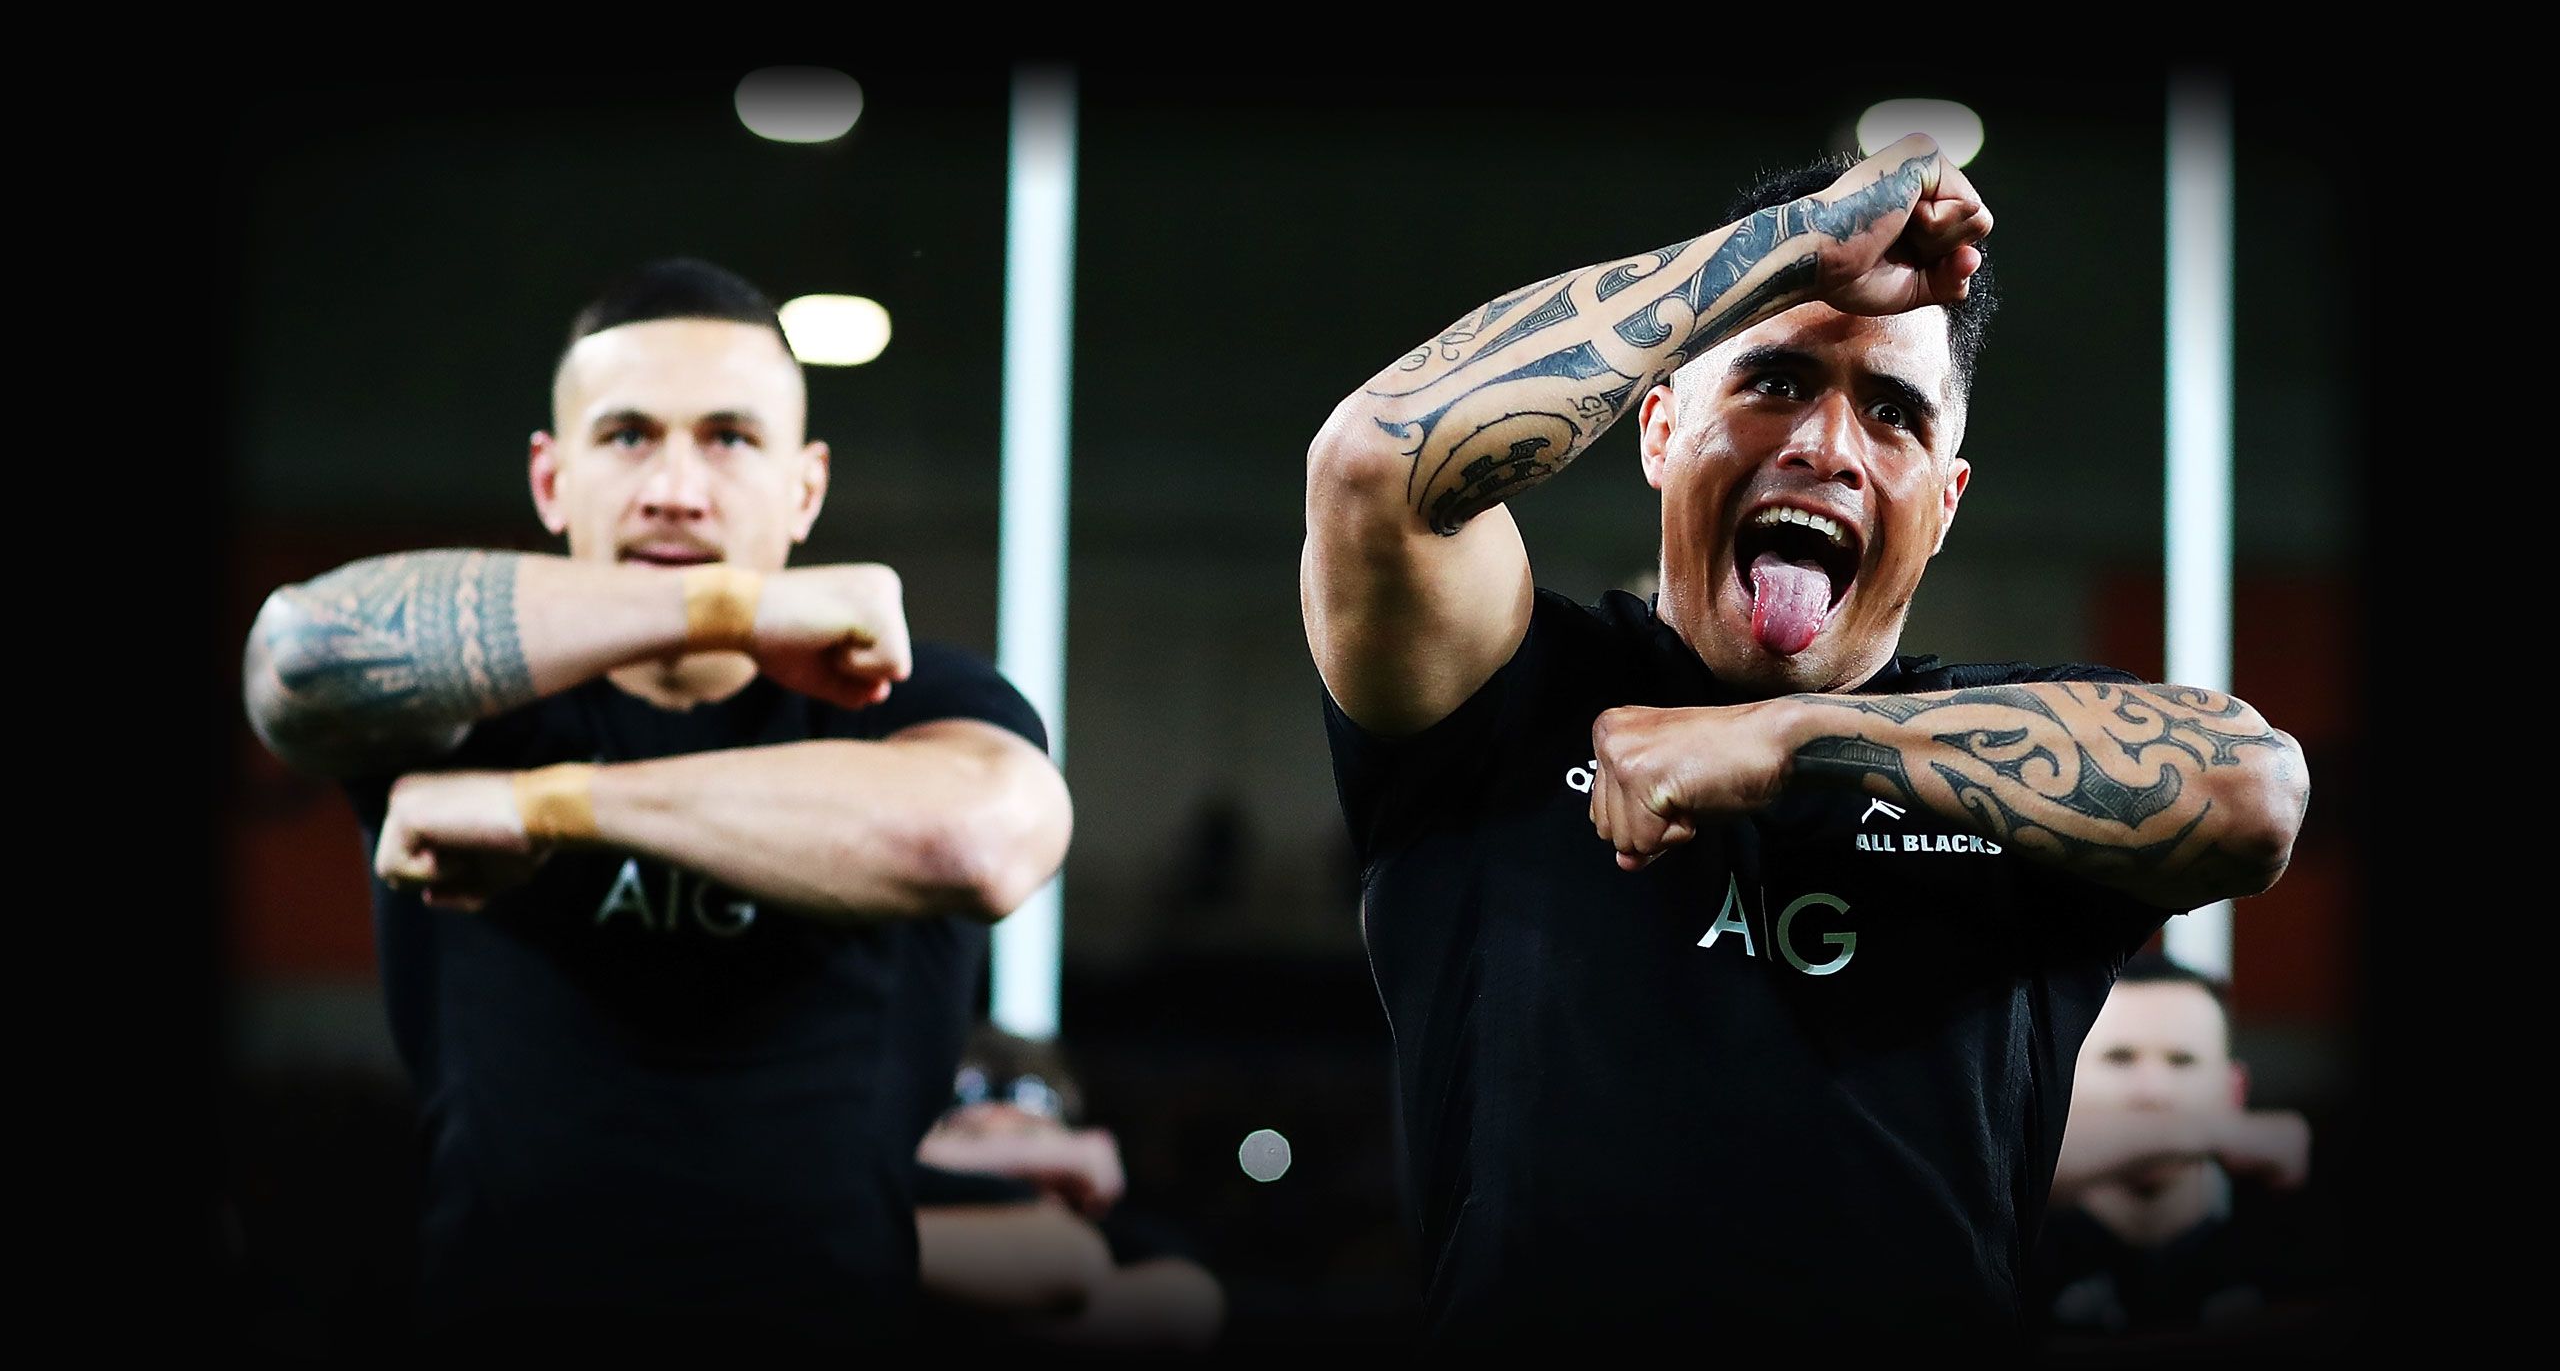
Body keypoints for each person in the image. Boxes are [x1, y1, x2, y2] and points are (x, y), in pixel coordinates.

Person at [1300, 135, 2311, 1349]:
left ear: (1941, 505)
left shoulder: (2003, 749)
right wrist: (1793, 249)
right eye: (1774, 380)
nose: (1826, 447)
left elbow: (2253, 791)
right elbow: (1375, 461)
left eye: (1892, 413)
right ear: (1657, 429)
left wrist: (1789, 743)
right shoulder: (1508, 697)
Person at [239, 258, 1073, 1352]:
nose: (675, 487)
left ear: (805, 489)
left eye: (729, 438)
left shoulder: (915, 696)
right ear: (551, 480)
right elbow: (297, 660)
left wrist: (552, 809)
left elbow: (982, 838)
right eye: (628, 435)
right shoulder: (471, 712)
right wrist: (727, 603)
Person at [2037, 953, 2337, 1351]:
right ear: (2062, 1082)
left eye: (2183, 1061)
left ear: (2234, 1089)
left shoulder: (2303, 1241)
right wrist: (2206, 1128)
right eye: (2119, 1058)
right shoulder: (2004, 1239)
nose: (2153, 1094)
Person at [911, 1028, 1226, 1350]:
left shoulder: (1114, 1245)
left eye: (1027, 1136)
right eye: (973, 1139)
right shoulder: (898, 1215)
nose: (1006, 1179)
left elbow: (1187, 1302)